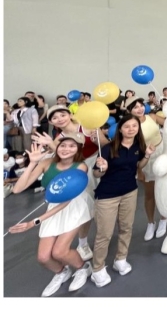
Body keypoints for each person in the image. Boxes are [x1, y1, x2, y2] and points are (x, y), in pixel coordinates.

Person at [9, 134, 93, 296]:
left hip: (74, 206)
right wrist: (32, 163)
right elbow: (17, 189)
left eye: (71, 146)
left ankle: (83, 268)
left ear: (78, 149)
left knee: (59, 252)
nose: (66, 149)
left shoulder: (80, 167)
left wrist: (34, 222)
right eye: (62, 145)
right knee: (43, 257)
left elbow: (67, 201)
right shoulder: (46, 163)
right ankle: (61, 272)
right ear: (56, 147)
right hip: (54, 205)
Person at [32, 104, 110, 262]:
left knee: (101, 202)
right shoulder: (58, 139)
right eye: (54, 118)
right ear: (52, 123)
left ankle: (104, 233)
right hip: (78, 171)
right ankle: (83, 242)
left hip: (96, 163)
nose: (59, 119)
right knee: (85, 205)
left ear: (69, 114)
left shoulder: (88, 126)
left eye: (62, 115)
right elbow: (60, 159)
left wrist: (97, 140)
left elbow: (106, 146)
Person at [90, 114, 154, 287]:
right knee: (105, 234)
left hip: (130, 192)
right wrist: (102, 168)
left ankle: (121, 259)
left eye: (134, 126)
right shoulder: (108, 148)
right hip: (107, 195)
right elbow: (96, 173)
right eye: (127, 126)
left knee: (126, 227)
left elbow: (138, 166)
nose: (131, 129)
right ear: (120, 129)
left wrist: (147, 155)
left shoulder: (138, 146)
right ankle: (97, 269)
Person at [125, 97, 167, 241]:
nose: (139, 108)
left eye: (141, 105)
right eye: (135, 107)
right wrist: (139, 170)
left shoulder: (152, 116)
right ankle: (150, 223)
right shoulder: (130, 125)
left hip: (162, 154)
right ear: (129, 110)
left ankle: (163, 219)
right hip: (145, 159)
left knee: (163, 190)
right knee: (149, 194)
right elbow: (130, 148)